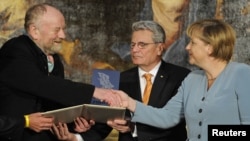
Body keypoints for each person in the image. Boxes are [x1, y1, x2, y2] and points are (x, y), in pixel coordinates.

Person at [110, 19, 250, 141]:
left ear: (210, 47)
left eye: (193, 43)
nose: (187, 47)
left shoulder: (242, 74)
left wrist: (211, 134)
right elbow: (167, 117)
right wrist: (129, 102)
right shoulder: (192, 79)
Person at [0, 3, 121, 141]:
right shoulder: (15, 50)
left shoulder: (54, 60)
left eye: (63, 29)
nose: (63, 35)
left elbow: (53, 105)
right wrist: (95, 92)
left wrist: (75, 123)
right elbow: (41, 84)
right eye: (57, 30)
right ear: (35, 31)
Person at [53, 21, 190, 141]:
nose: (134, 50)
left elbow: (173, 120)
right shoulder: (118, 79)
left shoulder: (182, 77)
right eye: (132, 45)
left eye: (142, 45)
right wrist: (76, 137)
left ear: (159, 48)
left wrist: (133, 127)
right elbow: (102, 124)